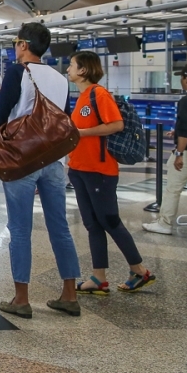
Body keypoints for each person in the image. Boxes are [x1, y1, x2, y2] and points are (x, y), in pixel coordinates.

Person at [0, 23, 81, 319]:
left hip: (21, 160)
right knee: (60, 227)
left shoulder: (18, 71)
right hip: (52, 161)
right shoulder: (60, 78)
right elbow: (60, 122)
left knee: (20, 229)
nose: (15, 47)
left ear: (23, 44)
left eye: (16, 42)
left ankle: (22, 299)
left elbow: (1, 113)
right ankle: (69, 294)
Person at [65, 51, 156, 293]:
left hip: (99, 170)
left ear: (83, 70)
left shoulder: (98, 94)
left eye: (71, 65)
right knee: (92, 224)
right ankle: (98, 277)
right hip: (80, 169)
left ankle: (139, 270)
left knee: (110, 221)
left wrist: (82, 133)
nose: (68, 69)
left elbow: (116, 124)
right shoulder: (82, 97)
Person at [144, 62, 187, 234]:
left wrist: (179, 153)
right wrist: (178, 131)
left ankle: (165, 224)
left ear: (186, 79)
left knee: (173, 188)